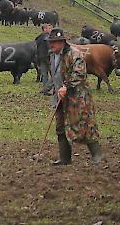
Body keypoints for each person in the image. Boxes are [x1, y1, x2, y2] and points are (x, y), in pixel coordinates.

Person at [46, 28, 103, 165]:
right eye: (50, 42)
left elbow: (79, 74)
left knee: (84, 124)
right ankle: (65, 158)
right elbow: (54, 75)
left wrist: (66, 86)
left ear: (62, 42)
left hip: (77, 96)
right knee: (60, 126)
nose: (51, 45)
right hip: (60, 96)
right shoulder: (53, 55)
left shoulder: (74, 54)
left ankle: (98, 155)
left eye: (54, 42)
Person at [36, 23, 53, 95]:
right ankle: (46, 89)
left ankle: (45, 90)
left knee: (44, 74)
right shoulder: (48, 37)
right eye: (49, 28)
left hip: (41, 58)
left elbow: (36, 48)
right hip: (48, 58)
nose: (50, 30)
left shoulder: (39, 38)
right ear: (45, 29)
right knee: (54, 74)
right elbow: (49, 48)